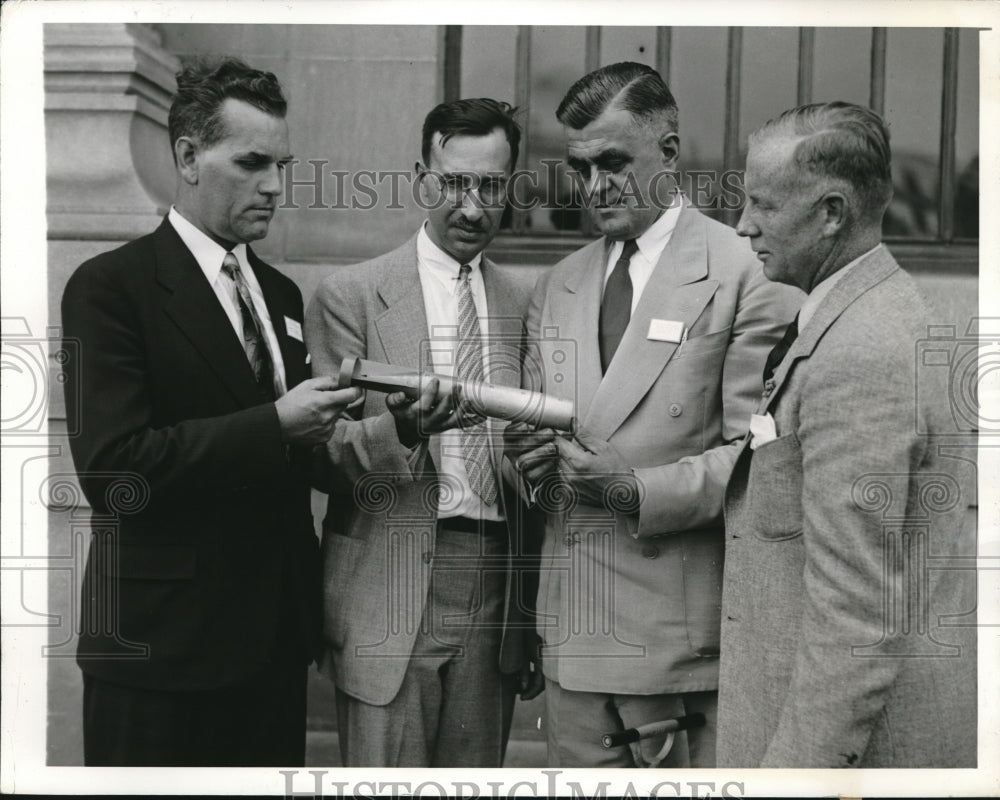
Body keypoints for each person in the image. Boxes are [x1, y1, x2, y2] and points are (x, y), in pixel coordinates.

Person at [60, 57, 360, 766]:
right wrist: (277, 422)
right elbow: (113, 471)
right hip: (159, 655)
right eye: (253, 162)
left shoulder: (282, 295)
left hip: (272, 651)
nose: (276, 186)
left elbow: (299, 457)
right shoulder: (110, 288)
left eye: (282, 164)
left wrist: (400, 424)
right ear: (189, 157)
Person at [507, 62, 801, 767]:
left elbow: (758, 461)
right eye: (579, 168)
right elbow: (535, 455)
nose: (595, 187)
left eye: (614, 162)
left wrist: (634, 489)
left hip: (677, 647)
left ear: (669, 153)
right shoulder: (559, 283)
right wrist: (526, 463)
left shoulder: (745, 273)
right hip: (575, 643)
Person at [716, 101, 977, 768]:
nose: (743, 225)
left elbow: (854, 622)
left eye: (763, 205)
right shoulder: (870, 312)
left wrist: (790, 780)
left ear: (832, 213)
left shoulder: (860, 351)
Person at [304, 97, 542, 767]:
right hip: (391, 573)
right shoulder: (350, 295)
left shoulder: (528, 302)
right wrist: (400, 431)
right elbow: (320, 454)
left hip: (493, 582)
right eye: (454, 183)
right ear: (421, 180)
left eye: (491, 186)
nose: (472, 207)